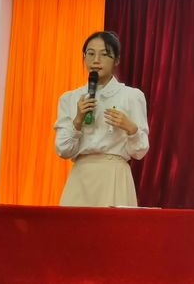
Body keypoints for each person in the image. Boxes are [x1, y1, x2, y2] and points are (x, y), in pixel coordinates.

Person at [54, 31, 149, 207]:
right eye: (90, 54)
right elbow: (63, 150)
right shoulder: (69, 98)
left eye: (104, 54)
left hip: (114, 175)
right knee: (75, 225)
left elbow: (139, 152)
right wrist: (78, 120)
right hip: (80, 177)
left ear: (116, 60)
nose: (96, 60)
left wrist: (131, 129)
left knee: (113, 225)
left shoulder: (131, 96)